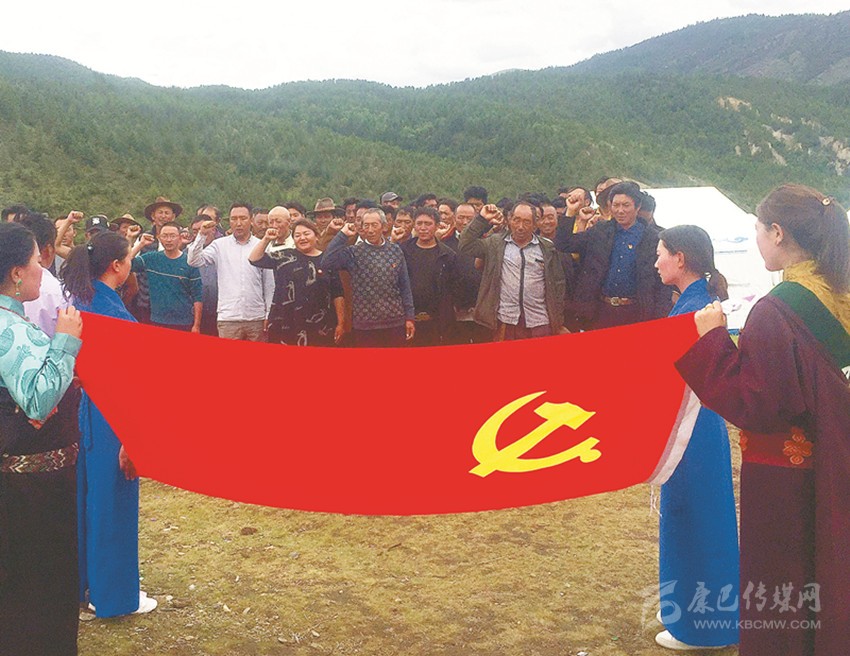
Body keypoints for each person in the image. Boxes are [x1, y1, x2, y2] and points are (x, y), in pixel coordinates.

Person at [676, 184, 850, 656]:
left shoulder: (778, 311)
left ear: (777, 232)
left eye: (757, 228)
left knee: (785, 586)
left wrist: (712, 341)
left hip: (787, 482)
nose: (756, 239)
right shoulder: (839, 294)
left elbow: (759, 405)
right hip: (837, 459)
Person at [62, 232, 158, 618]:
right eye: (128, 258)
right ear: (117, 265)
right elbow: (131, 381)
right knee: (113, 503)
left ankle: (85, 586)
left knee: (88, 501)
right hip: (112, 416)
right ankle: (114, 596)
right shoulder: (112, 313)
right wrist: (132, 438)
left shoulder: (82, 301)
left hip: (85, 415)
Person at [653, 225, 739, 650]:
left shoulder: (696, 309)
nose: (656, 263)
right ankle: (685, 607)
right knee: (692, 516)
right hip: (696, 423)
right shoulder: (697, 301)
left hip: (693, 427)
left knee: (695, 520)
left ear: (680, 258)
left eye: (661, 254)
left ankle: (702, 627)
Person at [0, 222, 84, 655]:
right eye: (37, 261)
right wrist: (66, 342)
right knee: (38, 587)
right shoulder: (9, 328)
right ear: (16, 272)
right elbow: (37, 400)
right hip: (30, 492)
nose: (42, 270)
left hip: (27, 488)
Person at [556, 181, 672, 330]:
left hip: (637, 313)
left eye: (626, 205)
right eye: (616, 205)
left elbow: (663, 284)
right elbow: (564, 244)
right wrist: (570, 212)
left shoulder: (653, 238)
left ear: (637, 207)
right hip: (600, 312)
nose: (620, 210)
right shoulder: (600, 231)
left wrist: (659, 319)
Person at [459, 201, 572, 340]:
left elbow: (558, 285)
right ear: (509, 220)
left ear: (535, 225)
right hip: (506, 321)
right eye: (516, 220)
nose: (520, 227)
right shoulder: (496, 244)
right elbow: (465, 245)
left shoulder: (547, 248)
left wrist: (557, 321)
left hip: (539, 321)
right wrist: (482, 219)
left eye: (526, 222)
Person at [322, 208, 415, 347]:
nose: (370, 230)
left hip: (395, 322)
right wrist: (343, 235)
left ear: (383, 226)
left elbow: (404, 286)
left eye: (374, 225)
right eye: (366, 225)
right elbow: (326, 263)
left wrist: (409, 317)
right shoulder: (353, 252)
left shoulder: (395, 250)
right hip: (365, 325)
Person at [249, 219, 345, 346]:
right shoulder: (285, 256)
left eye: (306, 234)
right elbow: (254, 259)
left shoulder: (327, 261)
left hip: (321, 325)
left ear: (317, 236)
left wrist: (341, 323)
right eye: (297, 235)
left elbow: (338, 293)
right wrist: (266, 239)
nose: (302, 238)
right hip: (286, 322)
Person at [187, 202, 274, 341]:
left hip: (256, 317)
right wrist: (201, 235)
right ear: (229, 221)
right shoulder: (219, 245)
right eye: (234, 219)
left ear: (251, 220)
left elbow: (269, 284)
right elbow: (193, 261)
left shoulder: (261, 245)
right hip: (228, 318)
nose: (238, 223)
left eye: (243, 218)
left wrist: (268, 313)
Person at [129, 222, 203, 332]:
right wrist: (140, 244)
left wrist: (196, 325)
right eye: (165, 236)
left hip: (184, 322)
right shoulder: (151, 258)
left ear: (179, 237)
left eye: (172, 236)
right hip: (156, 320)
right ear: (159, 238)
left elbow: (198, 296)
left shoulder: (189, 262)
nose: (168, 240)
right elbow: (127, 264)